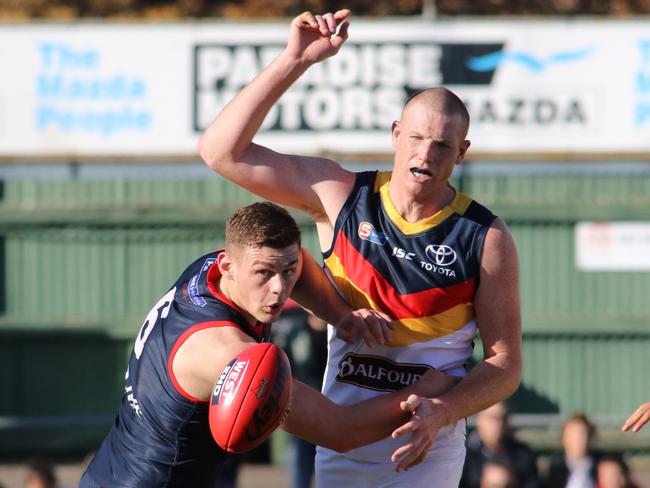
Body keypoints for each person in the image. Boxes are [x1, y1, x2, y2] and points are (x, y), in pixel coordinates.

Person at [197, 8, 522, 486]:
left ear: (462, 152)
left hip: (423, 441)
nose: (425, 155)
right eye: (415, 138)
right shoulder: (341, 194)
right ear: (395, 135)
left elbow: (506, 364)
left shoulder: (485, 237)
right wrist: (295, 60)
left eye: (441, 145)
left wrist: (444, 410)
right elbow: (220, 152)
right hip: (341, 440)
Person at [79, 201, 458, 487]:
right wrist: (427, 388)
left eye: (287, 271)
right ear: (230, 266)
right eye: (264, 273)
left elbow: (300, 261)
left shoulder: (209, 269)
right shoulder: (226, 352)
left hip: (108, 471)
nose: (279, 289)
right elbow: (343, 431)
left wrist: (340, 314)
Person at [272, 304, 328, 488]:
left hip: (330, 402)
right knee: (300, 450)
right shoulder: (298, 329)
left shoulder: (337, 333)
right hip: (304, 400)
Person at [461, 402, 539, 488]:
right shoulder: (463, 455)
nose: (499, 424)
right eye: (492, 418)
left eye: (503, 418)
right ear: (479, 420)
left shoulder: (523, 454)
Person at [544, 413, 601, 488]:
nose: (579, 439)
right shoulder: (554, 470)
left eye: (583, 433)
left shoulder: (601, 467)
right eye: (574, 434)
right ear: (564, 438)